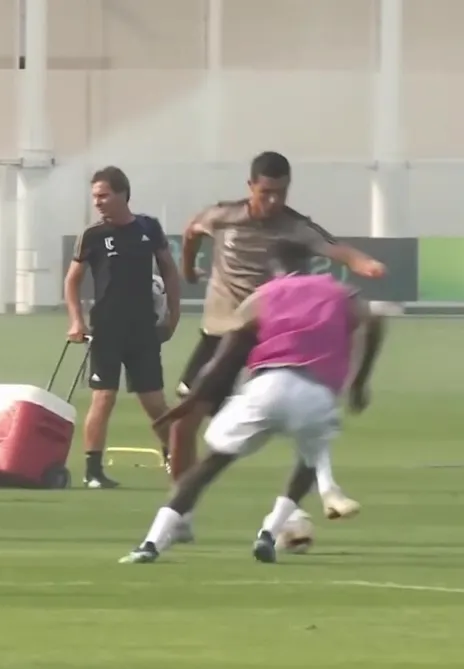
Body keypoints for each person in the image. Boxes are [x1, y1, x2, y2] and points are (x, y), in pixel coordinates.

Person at [165, 151, 386, 542]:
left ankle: (292, 516)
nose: (273, 201)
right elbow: (192, 230)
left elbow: (335, 249)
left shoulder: (295, 227)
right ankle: (181, 513)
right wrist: (188, 269)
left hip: (268, 339)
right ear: (251, 186)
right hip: (219, 334)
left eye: (281, 193)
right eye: (266, 192)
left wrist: (363, 263)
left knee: (286, 421)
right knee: (183, 423)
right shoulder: (223, 216)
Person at [119, 254, 387, 564]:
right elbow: (375, 320)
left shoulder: (264, 295)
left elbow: (225, 355)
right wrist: (359, 382)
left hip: (266, 387)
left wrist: (192, 401)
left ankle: (151, 543)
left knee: (210, 465)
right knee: (309, 462)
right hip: (315, 394)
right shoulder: (338, 292)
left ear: (273, 271)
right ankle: (271, 531)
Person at [64, 166, 183, 489]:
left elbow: (169, 271)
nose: (98, 202)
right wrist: (76, 320)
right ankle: (93, 471)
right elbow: (72, 281)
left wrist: (174, 314)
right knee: (103, 397)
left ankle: (176, 458)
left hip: (143, 329)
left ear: (122, 194)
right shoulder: (92, 235)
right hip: (106, 329)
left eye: (103, 196)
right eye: (95, 197)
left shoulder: (148, 228)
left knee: (154, 402)